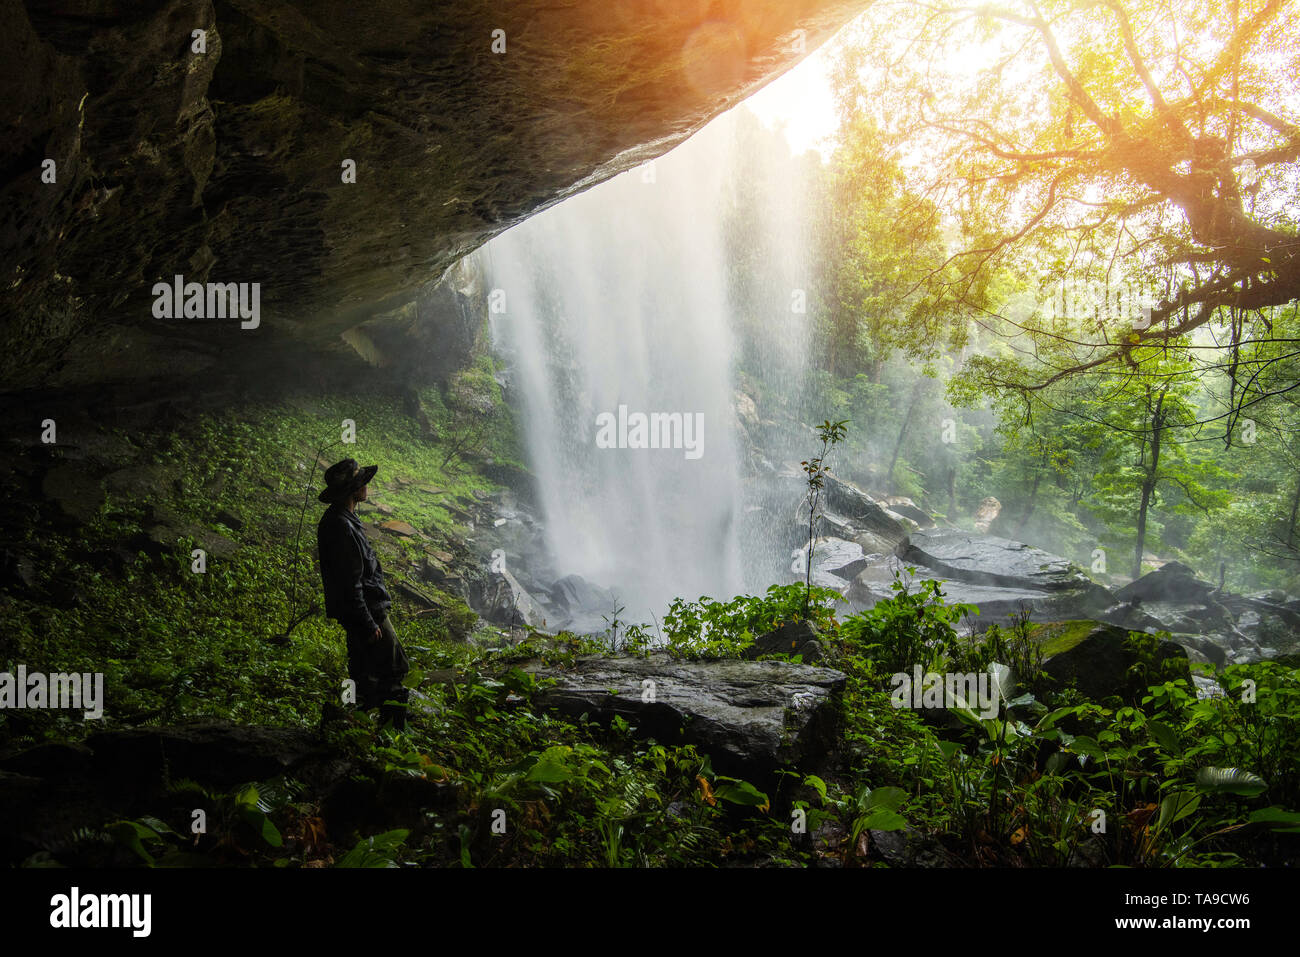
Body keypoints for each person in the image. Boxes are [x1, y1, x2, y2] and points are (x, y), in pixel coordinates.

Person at [316, 458, 409, 730]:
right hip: (367, 610)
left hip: (362, 610)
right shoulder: (340, 526)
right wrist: (367, 622)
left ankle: (360, 729)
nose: (367, 486)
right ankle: (391, 734)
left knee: (365, 670)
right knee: (393, 669)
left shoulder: (343, 519)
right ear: (353, 490)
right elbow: (350, 582)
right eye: (362, 483)